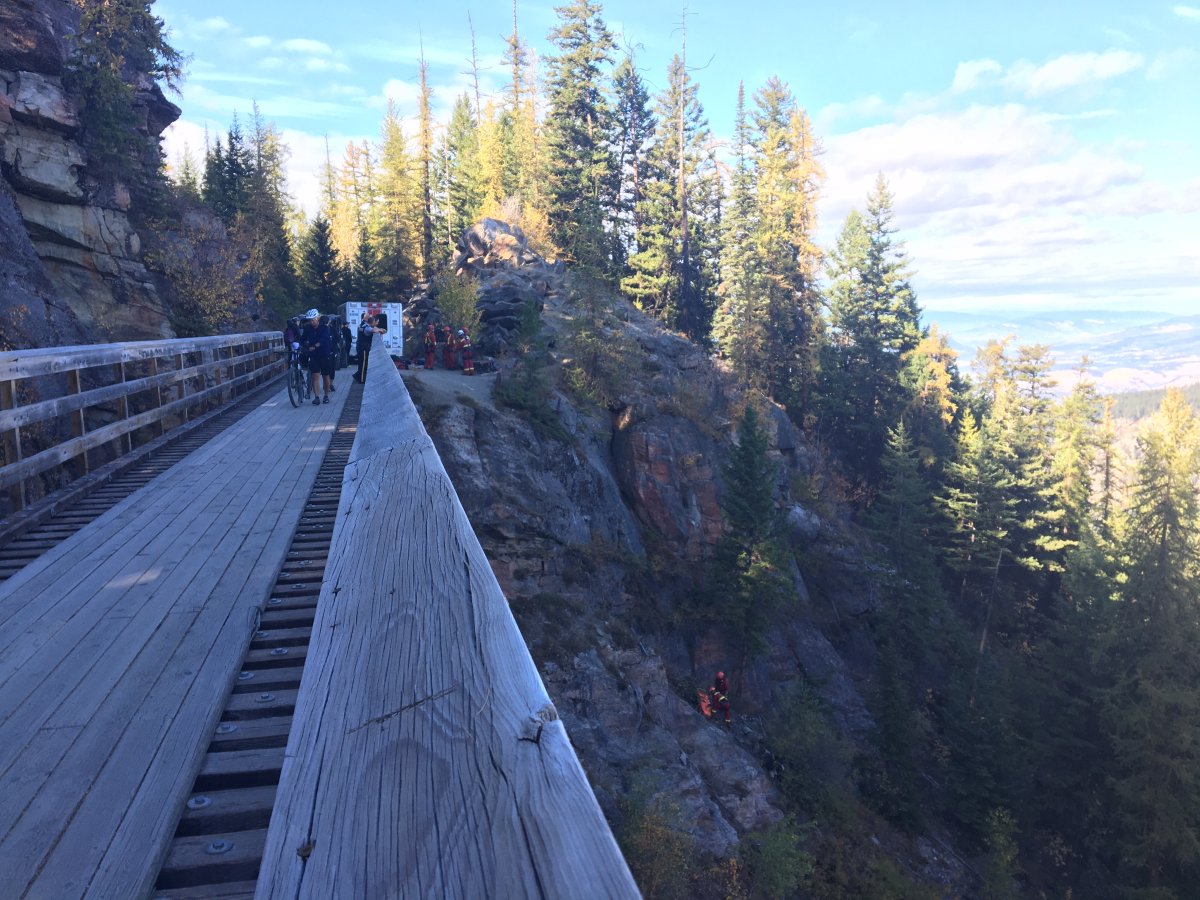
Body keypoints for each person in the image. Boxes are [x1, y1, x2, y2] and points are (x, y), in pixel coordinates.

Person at [300, 309, 332, 405]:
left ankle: (326, 395)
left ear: (317, 318)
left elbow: (324, 339)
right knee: (315, 376)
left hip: (324, 353)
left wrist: (315, 346)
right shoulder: (307, 328)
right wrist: (301, 345)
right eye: (310, 320)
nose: (311, 322)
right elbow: (302, 339)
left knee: (326, 376)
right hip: (313, 355)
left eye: (313, 319)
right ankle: (317, 397)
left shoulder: (325, 328)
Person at [354, 313, 384, 384]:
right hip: (363, 348)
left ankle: (358, 377)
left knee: (361, 363)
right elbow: (372, 330)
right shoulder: (366, 327)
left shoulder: (361, 325)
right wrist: (380, 330)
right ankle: (362, 380)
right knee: (364, 364)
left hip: (360, 347)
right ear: (367, 319)